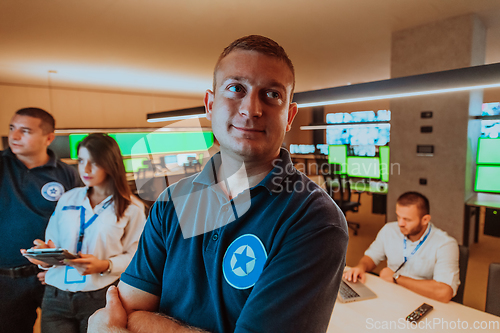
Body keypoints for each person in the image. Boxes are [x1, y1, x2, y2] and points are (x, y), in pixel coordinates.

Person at [89, 35, 349, 333]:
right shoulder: (172, 201)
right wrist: (133, 320)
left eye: (272, 95)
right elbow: (127, 310)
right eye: (236, 88)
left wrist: (140, 324)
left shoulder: (313, 219)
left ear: (289, 116)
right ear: (210, 105)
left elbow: (124, 322)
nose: (251, 109)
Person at [21, 133, 146, 332]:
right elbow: (53, 240)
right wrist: (46, 255)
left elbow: (137, 256)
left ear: (110, 164)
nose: (85, 169)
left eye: (94, 162)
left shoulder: (132, 208)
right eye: (81, 161)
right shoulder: (68, 199)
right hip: (56, 296)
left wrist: (105, 265)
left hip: (99, 295)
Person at [0, 107, 81, 333]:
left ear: (48, 138)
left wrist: (63, 267)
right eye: (11, 128)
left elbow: (79, 223)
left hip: (52, 274)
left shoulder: (67, 174)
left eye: (25, 131)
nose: (14, 137)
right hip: (5, 280)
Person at [343, 191, 460, 303]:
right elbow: (372, 256)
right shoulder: (389, 230)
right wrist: (361, 267)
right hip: (391, 296)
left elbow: (444, 292)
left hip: (422, 299)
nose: (400, 223)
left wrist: (396, 278)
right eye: (398, 217)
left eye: (407, 219)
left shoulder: (445, 244)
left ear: (425, 220)